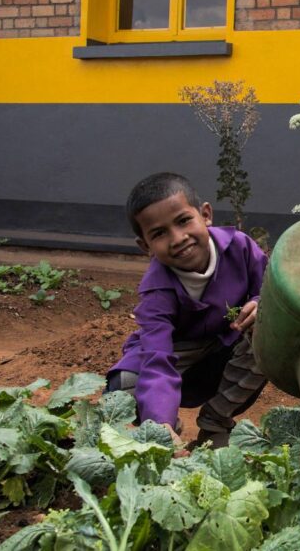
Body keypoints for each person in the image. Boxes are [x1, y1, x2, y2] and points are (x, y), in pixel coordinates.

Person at [106, 172, 268, 449]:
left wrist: (260, 303)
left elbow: (270, 287)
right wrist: (160, 422)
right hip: (178, 352)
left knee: (269, 331)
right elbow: (157, 357)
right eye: (159, 233)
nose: (178, 238)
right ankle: (168, 435)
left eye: (183, 221)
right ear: (145, 246)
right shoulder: (156, 290)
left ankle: (216, 421)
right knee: (123, 386)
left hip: (230, 344)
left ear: (205, 215)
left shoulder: (240, 248)